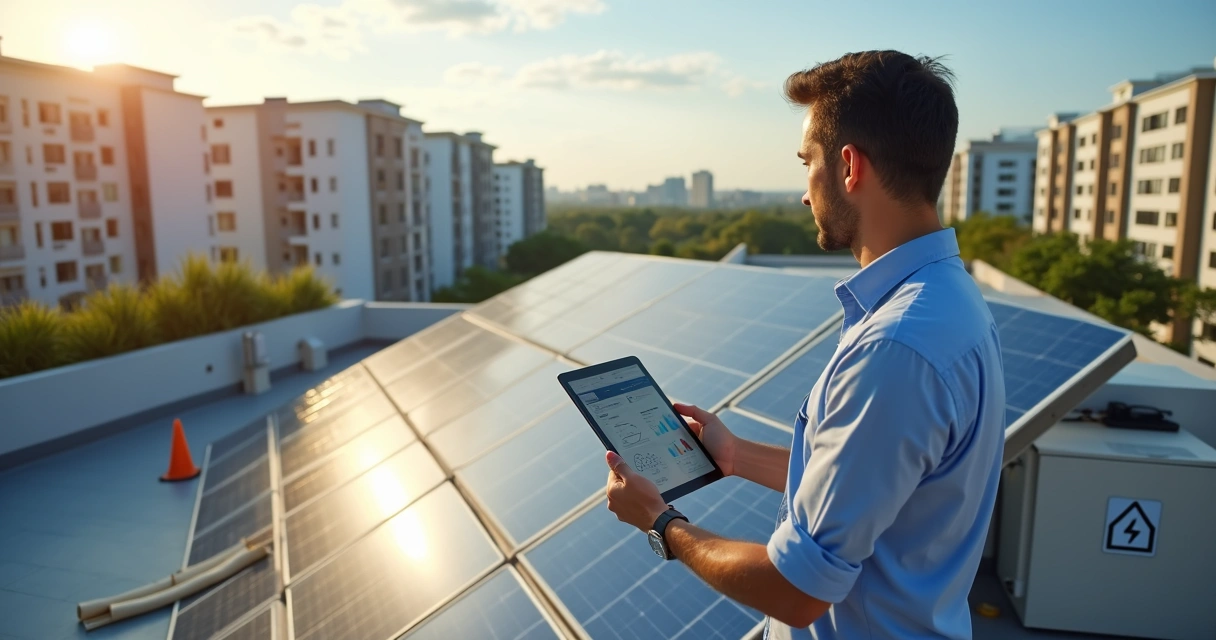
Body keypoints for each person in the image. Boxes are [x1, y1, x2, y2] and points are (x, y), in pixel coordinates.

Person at [604, 50, 1006, 640]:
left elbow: (795, 591)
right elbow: (870, 483)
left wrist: (661, 523)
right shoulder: (949, 304)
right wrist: (736, 455)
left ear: (849, 167)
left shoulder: (896, 348)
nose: (803, 191)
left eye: (806, 162)